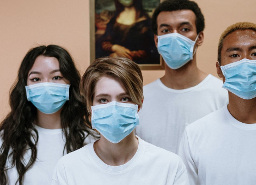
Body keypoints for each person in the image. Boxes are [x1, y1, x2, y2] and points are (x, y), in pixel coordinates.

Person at [51, 57, 189, 185]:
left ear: (139, 104)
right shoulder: (68, 169)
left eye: (124, 99)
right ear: (90, 107)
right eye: (103, 100)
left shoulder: (169, 167)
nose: (114, 108)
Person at [178, 22, 256, 185]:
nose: (245, 62)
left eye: (255, 54)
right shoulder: (195, 135)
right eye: (235, 55)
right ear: (219, 69)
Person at [136, 0, 228, 154]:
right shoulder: (140, 100)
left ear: (199, 37)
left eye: (184, 29)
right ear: (157, 40)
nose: (174, 36)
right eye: (166, 30)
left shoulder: (223, 95)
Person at [0, 45, 97, 185]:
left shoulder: (92, 142)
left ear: (70, 83)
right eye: (36, 79)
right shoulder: (6, 141)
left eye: (56, 77)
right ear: (24, 86)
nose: (46, 85)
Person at [95, 0, 160, 64]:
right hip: (114, 63)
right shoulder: (114, 19)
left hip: (136, 63)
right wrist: (115, 48)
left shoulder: (145, 21)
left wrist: (121, 56)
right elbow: (104, 41)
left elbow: (150, 50)